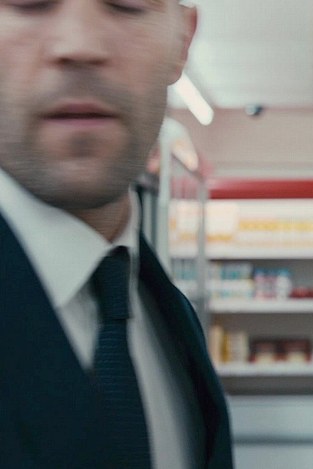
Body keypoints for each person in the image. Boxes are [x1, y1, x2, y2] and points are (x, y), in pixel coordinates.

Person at [0, 1, 232, 468]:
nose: (80, 44)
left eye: (126, 2)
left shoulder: (171, 322)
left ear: (182, 41)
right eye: (29, 1)